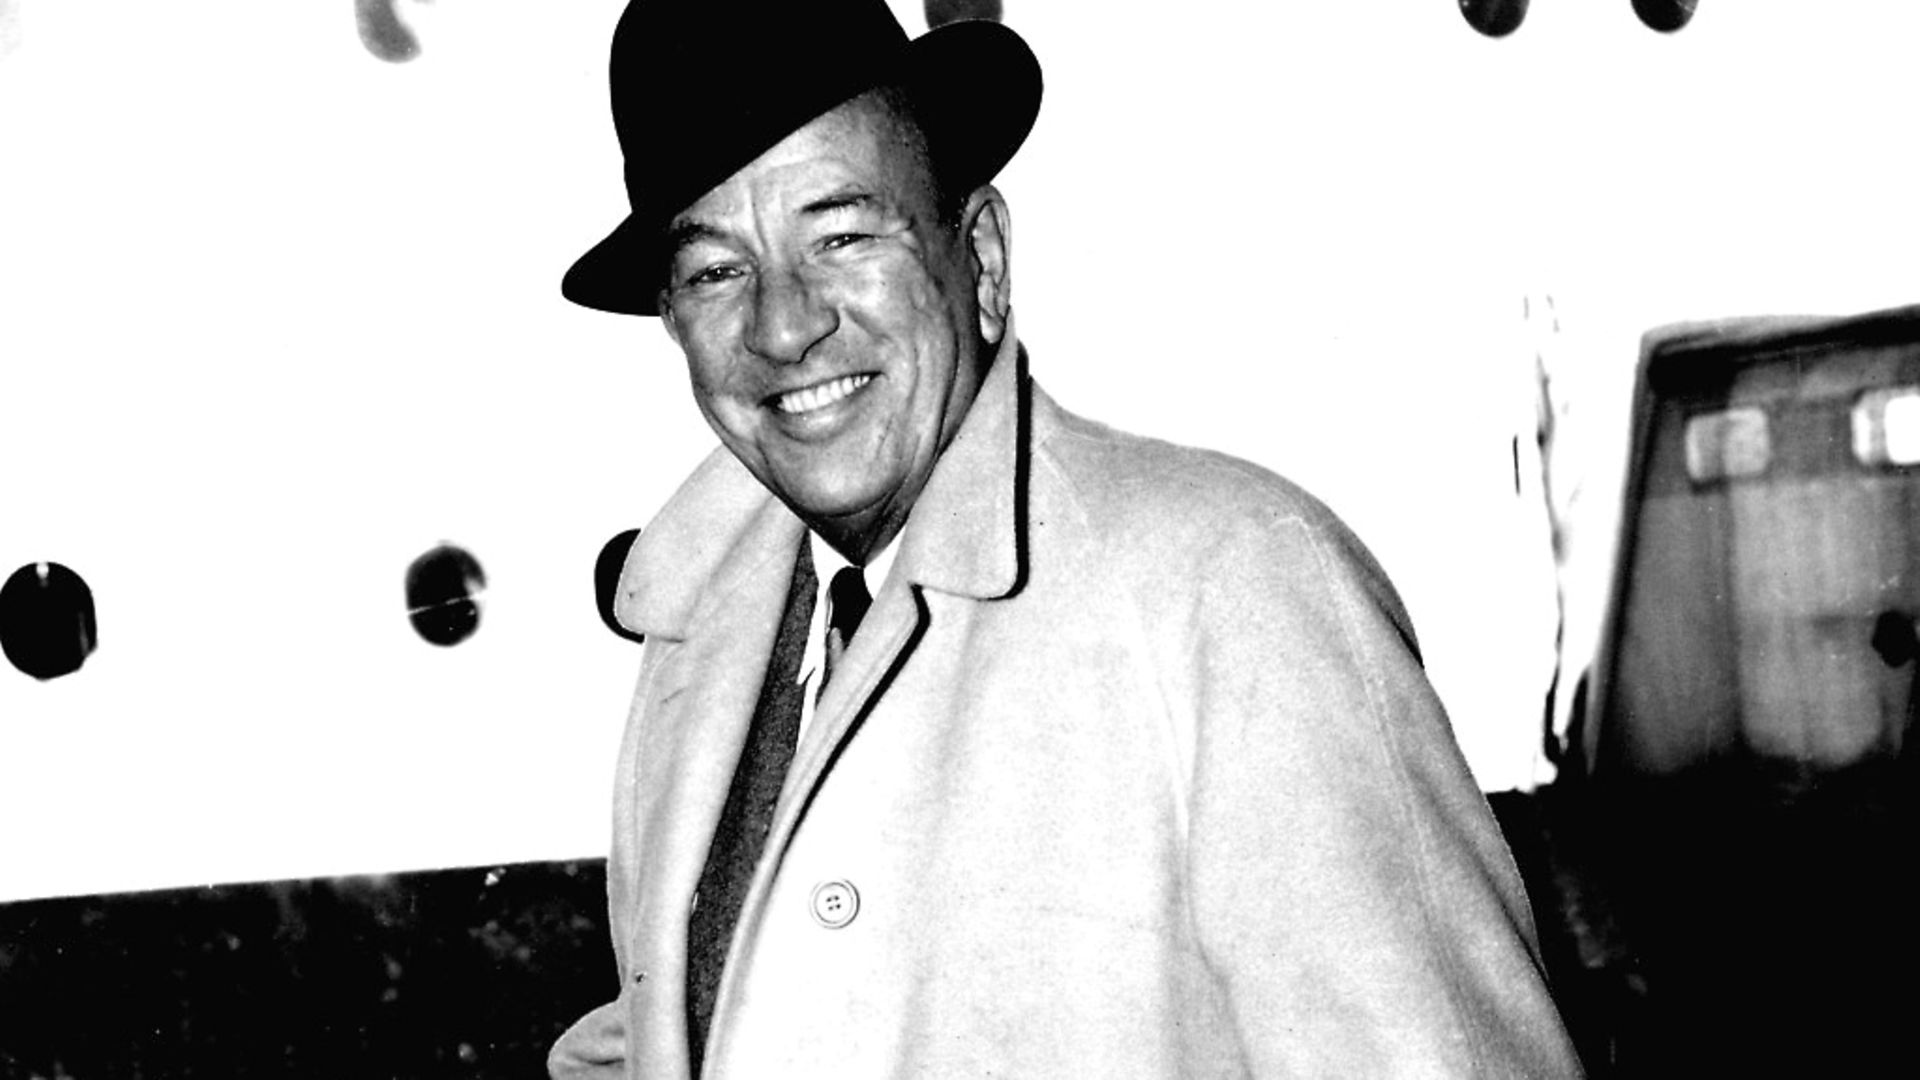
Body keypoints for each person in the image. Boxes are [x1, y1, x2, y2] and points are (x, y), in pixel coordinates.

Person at [550, 1, 1583, 1076]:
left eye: (844, 236)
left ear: (983, 257)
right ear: (674, 320)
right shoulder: (695, 644)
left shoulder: (1234, 585)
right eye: (717, 271)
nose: (783, 324)